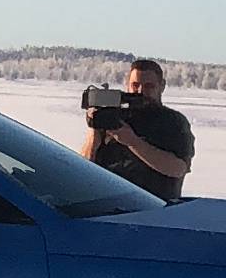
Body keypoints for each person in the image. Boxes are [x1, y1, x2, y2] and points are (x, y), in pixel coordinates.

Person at [81, 58, 194, 203]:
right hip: (108, 204)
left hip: (152, 208)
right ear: (127, 85)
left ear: (162, 86)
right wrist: (95, 131)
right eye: (135, 85)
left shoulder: (173, 122)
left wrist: (133, 142)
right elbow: (84, 167)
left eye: (149, 86)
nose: (141, 91)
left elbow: (177, 169)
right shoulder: (115, 116)